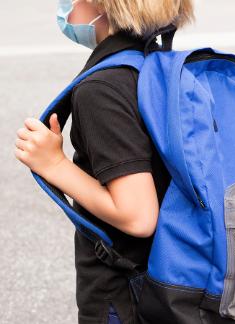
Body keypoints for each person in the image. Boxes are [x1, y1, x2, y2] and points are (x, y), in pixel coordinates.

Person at [14, 0, 194, 323]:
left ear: (100, 4)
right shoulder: (154, 65)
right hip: (171, 284)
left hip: (125, 297)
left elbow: (139, 216)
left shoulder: (103, 89)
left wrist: (55, 165)